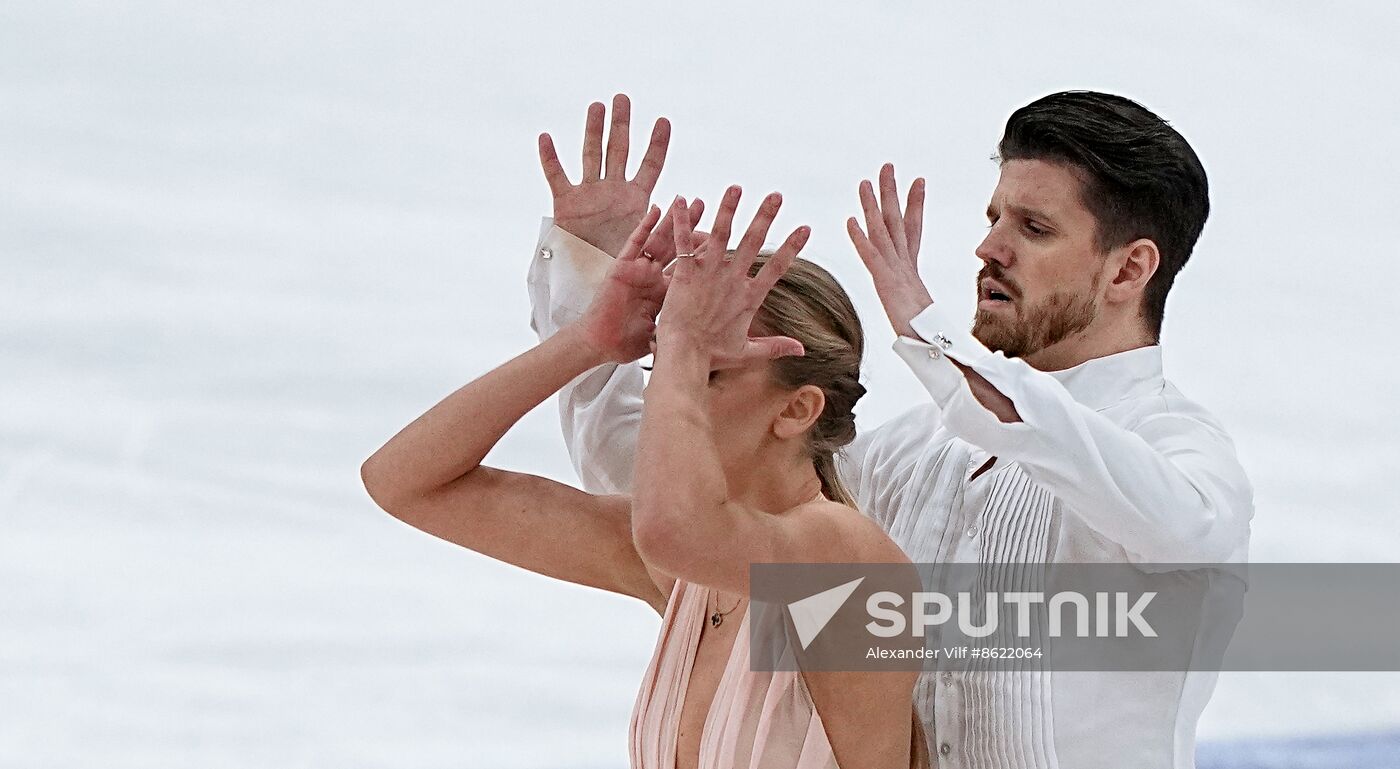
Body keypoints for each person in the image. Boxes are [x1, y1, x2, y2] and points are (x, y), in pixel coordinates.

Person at [527, 93, 1254, 768]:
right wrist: (592, 292)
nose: (989, 249)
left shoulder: (1182, 456)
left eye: (1033, 228)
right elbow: (671, 494)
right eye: (992, 218)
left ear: (1130, 270)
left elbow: (1181, 532)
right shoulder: (915, 456)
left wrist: (938, 343)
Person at [362, 186, 927, 767]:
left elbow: (671, 531)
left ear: (795, 410)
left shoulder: (843, 558)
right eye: (661, 365)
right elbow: (404, 482)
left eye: (704, 374)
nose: (663, 393)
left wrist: (680, 339)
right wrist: (587, 342)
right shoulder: (691, 575)